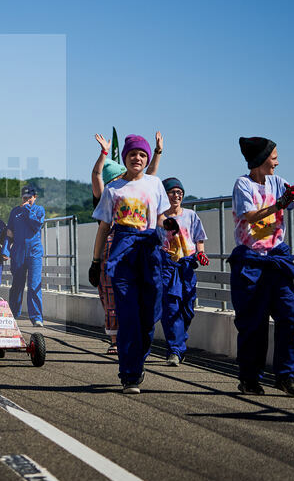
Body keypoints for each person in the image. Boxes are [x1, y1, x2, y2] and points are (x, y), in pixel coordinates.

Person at [229, 137, 294, 397]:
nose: (277, 161)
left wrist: (293, 196)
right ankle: (250, 378)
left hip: (277, 258)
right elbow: (249, 215)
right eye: (273, 156)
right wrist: (278, 205)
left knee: (289, 315)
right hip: (251, 260)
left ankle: (286, 376)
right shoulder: (243, 184)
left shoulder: (278, 181)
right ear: (260, 160)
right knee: (254, 323)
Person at [90, 134, 170, 394]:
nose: (138, 158)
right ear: (125, 158)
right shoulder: (113, 189)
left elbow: (161, 219)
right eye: (133, 154)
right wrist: (95, 261)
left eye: (142, 155)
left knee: (149, 317)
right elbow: (104, 227)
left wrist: (166, 236)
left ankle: (139, 360)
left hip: (150, 251)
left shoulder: (155, 183)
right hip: (122, 252)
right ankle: (130, 374)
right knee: (128, 316)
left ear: (147, 160)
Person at [157, 177, 209, 366]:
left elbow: (199, 238)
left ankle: (179, 343)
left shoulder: (191, 215)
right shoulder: (160, 218)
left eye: (179, 192)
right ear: (165, 195)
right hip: (168, 268)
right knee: (171, 309)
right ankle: (175, 350)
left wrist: (201, 254)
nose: (176, 195)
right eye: (172, 192)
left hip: (187, 267)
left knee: (187, 310)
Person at [6, 186, 46, 326]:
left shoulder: (39, 210)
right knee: (17, 284)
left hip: (34, 253)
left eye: (29, 197)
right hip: (18, 252)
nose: (26, 200)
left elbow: (36, 225)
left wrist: (27, 209)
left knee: (34, 284)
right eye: (24, 197)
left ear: (35, 197)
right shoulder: (14, 212)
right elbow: (9, 232)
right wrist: (6, 251)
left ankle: (36, 317)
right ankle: (13, 315)